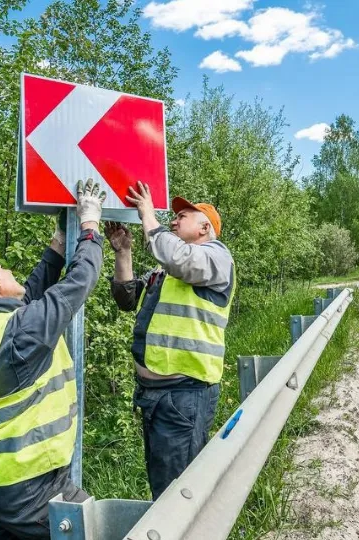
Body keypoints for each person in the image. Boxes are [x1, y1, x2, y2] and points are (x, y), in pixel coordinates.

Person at [0, 180, 106, 539]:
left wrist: (59, 244)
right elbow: (80, 281)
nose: (7, 269)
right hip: (30, 487)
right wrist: (90, 225)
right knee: (96, 530)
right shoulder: (20, 331)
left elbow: (29, 298)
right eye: (0, 266)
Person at [106, 181, 236, 500]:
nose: (174, 221)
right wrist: (123, 252)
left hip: (185, 394)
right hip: (156, 395)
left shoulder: (217, 257)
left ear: (204, 228)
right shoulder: (166, 271)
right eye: (174, 216)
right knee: (163, 485)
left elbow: (178, 258)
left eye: (182, 216)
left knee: (176, 494)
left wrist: (148, 214)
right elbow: (126, 298)